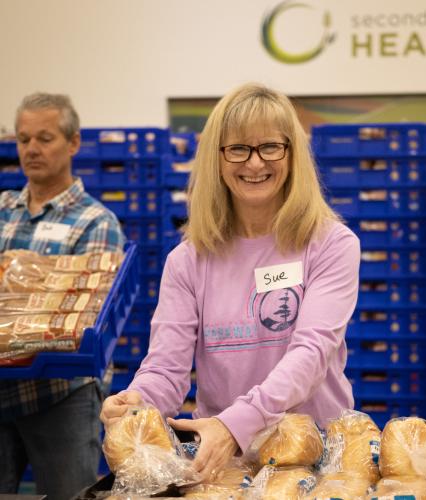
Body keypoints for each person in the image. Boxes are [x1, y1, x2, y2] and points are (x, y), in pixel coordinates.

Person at [100, 82, 360, 481]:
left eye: (270, 147)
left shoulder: (330, 245)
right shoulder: (187, 260)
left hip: (317, 457)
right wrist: (137, 401)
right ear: (217, 159)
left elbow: (311, 355)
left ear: (292, 154)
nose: (254, 164)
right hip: (224, 464)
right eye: (238, 149)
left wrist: (234, 424)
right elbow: (166, 368)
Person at [0, 93, 125, 500]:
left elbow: (80, 318)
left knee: (71, 496)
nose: (31, 149)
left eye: (45, 138)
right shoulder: (3, 211)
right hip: (2, 390)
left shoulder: (96, 222)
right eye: (23, 139)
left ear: (72, 143)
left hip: (61, 397)